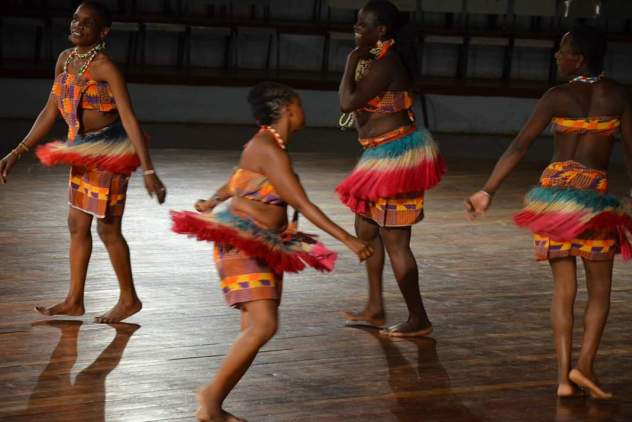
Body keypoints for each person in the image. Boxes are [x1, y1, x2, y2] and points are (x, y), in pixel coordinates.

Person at [171, 81, 373, 422]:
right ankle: (209, 398)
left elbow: (238, 179)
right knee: (263, 326)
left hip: (262, 244)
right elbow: (302, 203)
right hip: (243, 244)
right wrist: (348, 240)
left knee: (255, 328)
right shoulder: (269, 148)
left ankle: (214, 402)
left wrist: (213, 199)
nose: (303, 110)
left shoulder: (265, 143)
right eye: (301, 104)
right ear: (288, 109)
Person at [465, 25, 632, 399]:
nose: (557, 56)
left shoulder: (557, 96)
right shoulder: (618, 96)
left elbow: (519, 147)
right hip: (593, 199)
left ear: (579, 58)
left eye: (562, 51)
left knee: (564, 291)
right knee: (600, 291)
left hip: (555, 199)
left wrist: (487, 190)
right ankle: (585, 366)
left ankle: (563, 379)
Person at [0, 2, 166, 323]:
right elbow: (50, 110)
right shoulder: (65, 59)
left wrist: (147, 169)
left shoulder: (105, 67)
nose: (78, 25)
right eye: (76, 19)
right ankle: (74, 300)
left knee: (107, 228)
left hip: (112, 150)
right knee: (77, 224)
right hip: (83, 150)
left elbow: (129, 118)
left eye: (88, 23)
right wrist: (16, 152)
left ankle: (129, 299)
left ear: (103, 32)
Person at [337, 0, 446, 337]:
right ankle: (375, 307)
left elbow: (347, 102)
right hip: (377, 156)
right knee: (366, 229)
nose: (356, 30)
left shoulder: (386, 62)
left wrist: (351, 59)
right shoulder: (380, 60)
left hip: (396, 158)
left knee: (396, 240)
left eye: (362, 25)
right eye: (356, 24)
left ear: (381, 30)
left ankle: (418, 318)